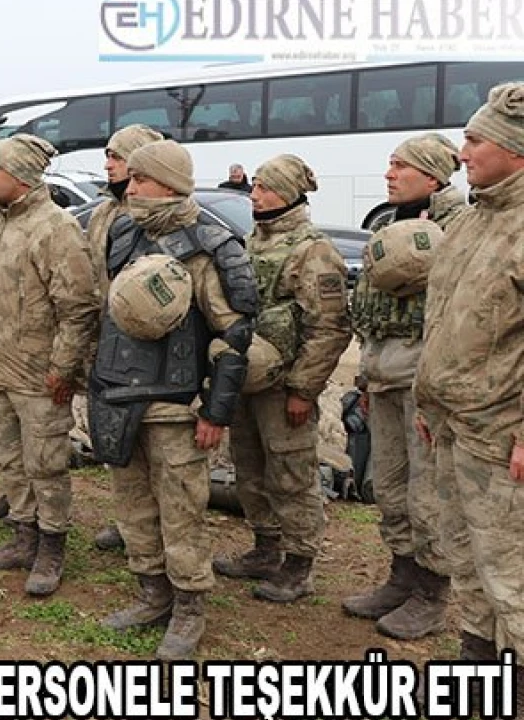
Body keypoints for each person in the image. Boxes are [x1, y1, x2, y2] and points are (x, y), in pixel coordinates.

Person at [90, 139, 257, 659]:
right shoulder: (125, 234)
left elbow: (234, 335)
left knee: (181, 511)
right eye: (132, 178)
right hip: (121, 395)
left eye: (141, 179)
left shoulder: (210, 246)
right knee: (133, 508)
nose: (131, 187)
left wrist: (215, 411)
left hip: (176, 406)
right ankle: (152, 594)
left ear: (168, 184)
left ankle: (188, 607)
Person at [414, 82, 524, 685]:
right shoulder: (470, 221)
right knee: (465, 555)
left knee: (512, 568)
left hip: (502, 435)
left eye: (476, 141)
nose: (463, 153)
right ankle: (478, 660)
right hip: (453, 424)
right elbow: (442, 320)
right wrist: (427, 401)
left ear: (515, 149)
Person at [343, 133, 466, 640]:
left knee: (427, 493)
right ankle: (402, 578)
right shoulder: (386, 226)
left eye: (401, 166)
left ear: (433, 177)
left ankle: (432, 594)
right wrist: (364, 377)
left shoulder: (459, 227)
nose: (389, 174)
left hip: (425, 382)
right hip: (383, 375)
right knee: (390, 486)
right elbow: (370, 306)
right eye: (390, 165)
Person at [213, 154, 351, 604]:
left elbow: (329, 328)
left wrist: (303, 390)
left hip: (285, 384)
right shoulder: (250, 243)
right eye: (254, 186)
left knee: (291, 474)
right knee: (249, 465)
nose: (255, 195)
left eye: (265, 188)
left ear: (289, 194)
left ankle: (298, 563)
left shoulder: (314, 250)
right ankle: (265, 547)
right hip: (248, 378)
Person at [0, 135, 98, 596]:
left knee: (46, 463)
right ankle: (24, 535)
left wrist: (62, 370)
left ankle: (51, 545)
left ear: (21, 175)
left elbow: (78, 309)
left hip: (41, 375)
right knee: (6, 453)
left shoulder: (55, 228)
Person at [72, 123, 165, 550]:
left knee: (156, 446)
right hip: (108, 342)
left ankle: (159, 528)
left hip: (147, 351)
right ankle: (131, 523)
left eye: (118, 157)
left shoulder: (157, 215)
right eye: (107, 156)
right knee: (116, 438)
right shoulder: (104, 214)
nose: (108, 165)